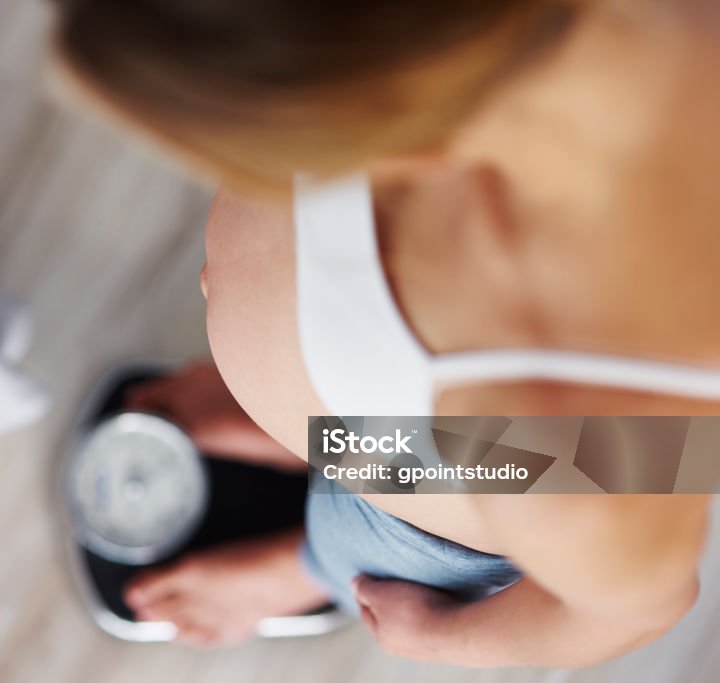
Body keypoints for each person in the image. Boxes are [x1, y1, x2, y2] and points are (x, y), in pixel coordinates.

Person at [51, 0, 718, 666]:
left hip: (462, 477)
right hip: (433, 431)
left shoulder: (584, 432)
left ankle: (306, 566)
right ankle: (311, 438)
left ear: (415, 146)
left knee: (427, 489)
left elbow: (635, 607)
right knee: (427, 444)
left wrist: (434, 633)